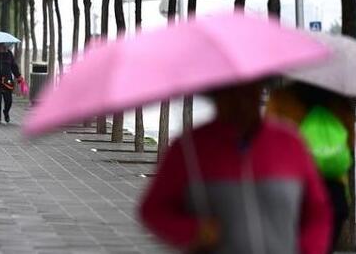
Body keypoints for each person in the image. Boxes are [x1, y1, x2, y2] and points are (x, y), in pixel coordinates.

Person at [139, 81, 332, 254]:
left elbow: (318, 211)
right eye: (231, 94)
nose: (241, 102)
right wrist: (192, 231)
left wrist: (310, 249)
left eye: (250, 91)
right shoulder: (189, 149)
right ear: (216, 96)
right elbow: (154, 209)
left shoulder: (289, 143)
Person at [267, 82, 353, 252]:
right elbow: (349, 143)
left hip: (290, 189)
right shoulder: (339, 102)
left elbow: (268, 140)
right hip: (333, 192)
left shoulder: (281, 98)